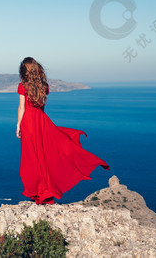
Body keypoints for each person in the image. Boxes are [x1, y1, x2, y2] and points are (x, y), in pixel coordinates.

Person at [16, 56, 109, 204]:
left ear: (24, 72)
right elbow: (42, 107)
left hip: (28, 124)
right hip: (41, 121)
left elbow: (22, 107)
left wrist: (18, 126)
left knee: (32, 159)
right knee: (46, 155)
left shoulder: (23, 86)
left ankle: (40, 192)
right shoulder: (43, 87)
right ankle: (45, 191)